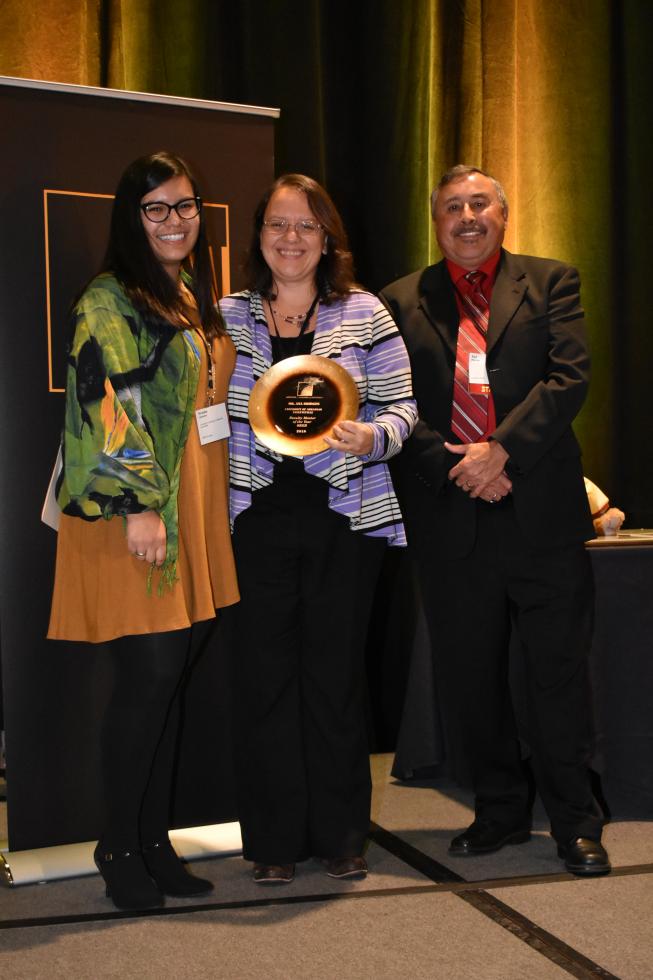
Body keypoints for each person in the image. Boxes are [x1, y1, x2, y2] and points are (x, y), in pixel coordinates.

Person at [380, 164, 610, 876]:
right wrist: (457, 465)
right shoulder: (396, 300)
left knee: (555, 676)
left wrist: (500, 449)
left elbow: (567, 377)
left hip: (538, 510)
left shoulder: (551, 281)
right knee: (471, 677)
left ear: (503, 215)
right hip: (451, 514)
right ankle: (500, 812)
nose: (467, 215)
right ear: (435, 221)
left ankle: (575, 821)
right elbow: (389, 403)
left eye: (479, 202)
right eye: (451, 206)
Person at [48, 151, 239, 909]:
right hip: (138, 513)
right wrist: (135, 507)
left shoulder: (190, 290)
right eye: (156, 208)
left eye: (185, 205)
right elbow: (102, 401)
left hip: (190, 505)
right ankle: (117, 844)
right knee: (149, 681)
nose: (174, 221)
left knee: (170, 685)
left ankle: (154, 839)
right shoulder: (109, 297)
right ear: (132, 217)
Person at [220, 173, 417, 885]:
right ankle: (273, 841)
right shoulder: (226, 316)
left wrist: (371, 438)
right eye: (277, 224)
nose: (291, 238)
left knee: (333, 678)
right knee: (263, 679)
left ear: (326, 237)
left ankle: (340, 835)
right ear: (258, 236)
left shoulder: (365, 313)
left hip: (345, 519)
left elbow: (402, 411)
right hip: (254, 520)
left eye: (306, 225)